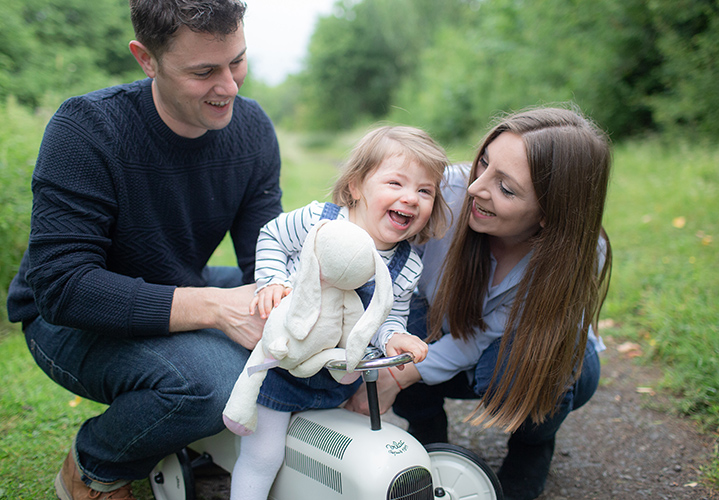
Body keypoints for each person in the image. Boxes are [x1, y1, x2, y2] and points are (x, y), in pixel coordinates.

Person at [5, 1, 283, 499]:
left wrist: (283, 295)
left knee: (290, 315)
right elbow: (61, 287)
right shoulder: (86, 130)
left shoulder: (253, 128)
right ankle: (94, 466)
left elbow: (265, 254)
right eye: (204, 72)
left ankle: (203, 441)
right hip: (67, 321)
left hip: (175, 283)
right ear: (146, 59)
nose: (230, 87)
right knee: (211, 383)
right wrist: (216, 308)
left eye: (237, 61)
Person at [345, 107, 612, 500]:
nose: (475, 187)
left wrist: (398, 377)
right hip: (446, 327)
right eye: (483, 163)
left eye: (505, 188)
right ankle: (427, 432)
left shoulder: (583, 252)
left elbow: (485, 335)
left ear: (549, 214)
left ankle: (532, 445)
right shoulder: (446, 192)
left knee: (523, 362)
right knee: (394, 323)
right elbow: (355, 230)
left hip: (534, 353)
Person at [228, 125, 449, 500]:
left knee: (329, 454)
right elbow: (272, 236)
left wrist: (394, 336)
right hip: (282, 367)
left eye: (424, 191)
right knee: (264, 454)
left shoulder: (407, 264)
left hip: (336, 376)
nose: (411, 198)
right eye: (396, 184)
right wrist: (271, 281)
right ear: (356, 186)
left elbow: (387, 315)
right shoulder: (321, 221)